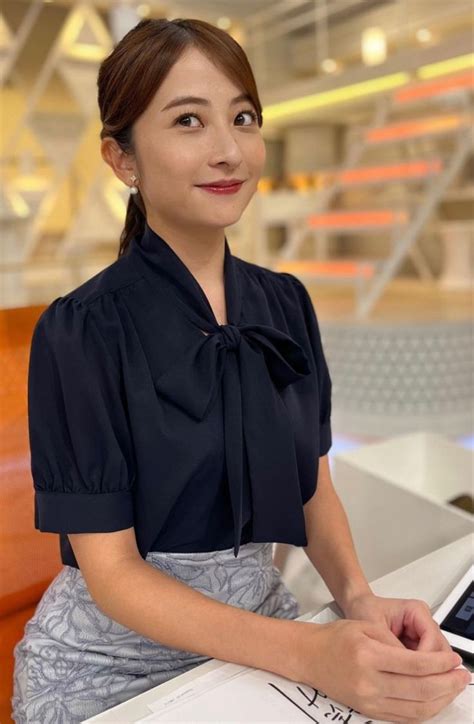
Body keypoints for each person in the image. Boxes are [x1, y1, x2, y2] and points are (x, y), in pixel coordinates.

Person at [12, 17, 468, 724]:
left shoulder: (285, 301)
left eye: (243, 117)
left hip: (264, 631)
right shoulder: (80, 331)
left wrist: (359, 600)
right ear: (122, 159)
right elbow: (114, 575)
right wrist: (310, 653)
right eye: (188, 121)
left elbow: (313, 486)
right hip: (112, 665)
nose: (229, 151)